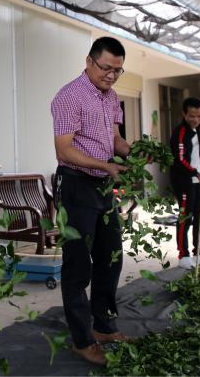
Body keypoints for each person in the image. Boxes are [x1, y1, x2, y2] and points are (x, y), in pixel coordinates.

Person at [51, 37, 131, 366]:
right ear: (89, 61)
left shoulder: (111, 98)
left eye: (118, 70)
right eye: (106, 68)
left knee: (110, 257)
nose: (111, 76)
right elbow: (64, 149)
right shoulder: (69, 96)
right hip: (75, 184)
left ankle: (103, 325)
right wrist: (105, 165)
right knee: (78, 266)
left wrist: (138, 153)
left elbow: (115, 139)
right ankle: (82, 340)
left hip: (102, 186)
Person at [169, 97, 200, 269]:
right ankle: (183, 255)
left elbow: (194, 151)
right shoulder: (181, 132)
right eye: (192, 116)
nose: (196, 119)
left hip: (197, 181)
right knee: (185, 217)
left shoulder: (195, 130)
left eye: (199, 116)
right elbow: (180, 159)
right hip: (184, 181)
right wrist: (196, 173)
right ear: (184, 114)